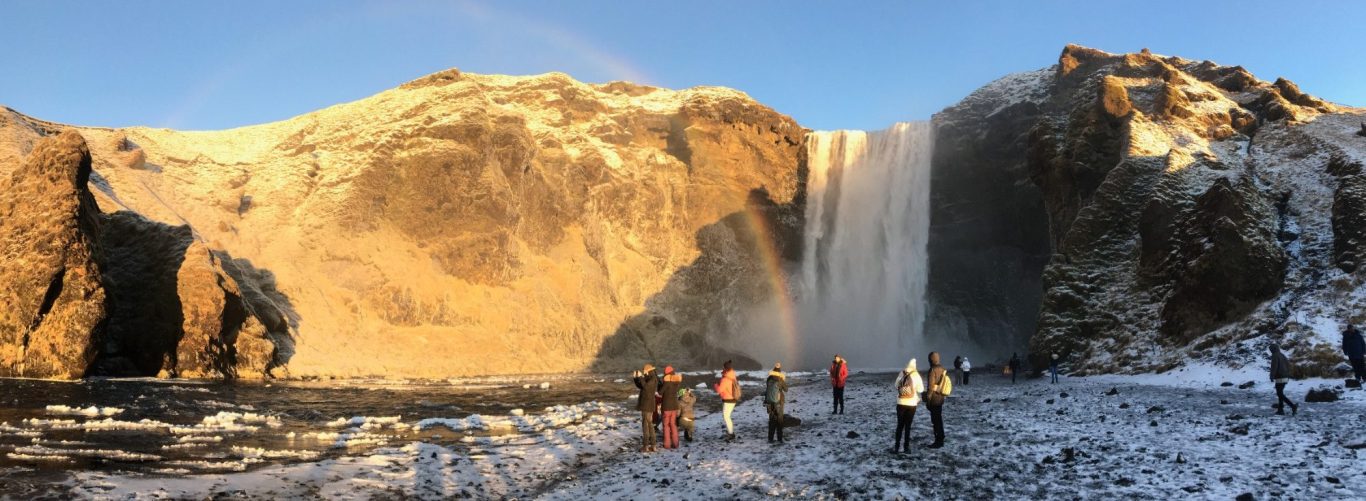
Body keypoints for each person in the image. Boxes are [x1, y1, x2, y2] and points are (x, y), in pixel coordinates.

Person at [892, 358, 925, 454]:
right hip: (911, 404)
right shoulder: (916, 374)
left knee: (899, 425)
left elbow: (895, 386)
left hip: (901, 402)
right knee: (908, 426)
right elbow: (921, 390)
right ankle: (906, 447)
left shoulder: (902, 373)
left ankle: (897, 447)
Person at [924, 351, 952, 448]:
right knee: (939, 419)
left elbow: (931, 387)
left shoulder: (932, 370)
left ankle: (938, 441)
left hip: (934, 399)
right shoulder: (943, 368)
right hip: (941, 397)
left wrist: (928, 400)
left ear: (931, 360)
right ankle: (941, 437)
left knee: (935, 420)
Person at [633, 364, 660, 452]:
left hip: (647, 405)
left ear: (647, 370)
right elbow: (641, 386)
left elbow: (645, 387)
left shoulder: (652, 379)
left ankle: (646, 446)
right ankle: (653, 445)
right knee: (649, 424)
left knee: (646, 425)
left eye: (644, 371)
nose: (643, 372)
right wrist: (636, 378)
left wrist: (641, 376)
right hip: (647, 404)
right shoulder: (650, 377)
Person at [714, 360, 741, 441]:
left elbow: (719, 390)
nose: (722, 368)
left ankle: (731, 433)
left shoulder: (725, 379)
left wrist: (715, 385)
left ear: (725, 368)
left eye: (723, 367)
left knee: (726, 417)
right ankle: (730, 432)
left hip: (728, 400)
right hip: (732, 399)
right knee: (727, 416)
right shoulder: (732, 376)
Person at [1269, 344, 1298, 416]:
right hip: (1285, 377)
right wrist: (1288, 374)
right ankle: (1280, 410)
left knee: (1280, 394)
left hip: (1280, 377)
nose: (1270, 351)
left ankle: (1293, 406)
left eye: (1271, 349)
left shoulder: (1275, 356)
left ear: (1273, 349)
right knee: (1280, 393)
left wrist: (1272, 376)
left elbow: (1274, 367)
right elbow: (1288, 365)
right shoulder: (1282, 355)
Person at [659, 366, 683, 449]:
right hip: (674, 406)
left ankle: (667, 444)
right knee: (673, 424)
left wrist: (661, 385)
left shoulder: (667, 382)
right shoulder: (676, 382)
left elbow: (660, 392)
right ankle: (676, 444)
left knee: (666, 425)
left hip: (666, 407)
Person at [764, 362, 788, 443]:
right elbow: (786, 389)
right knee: (779, 420)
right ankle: (779, 439)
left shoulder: (769, 378)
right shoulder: (780, 379)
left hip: (769, 402)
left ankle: (770, 438)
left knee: (771, 420)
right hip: (779, 402)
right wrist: (784, 380)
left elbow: (767, 389)